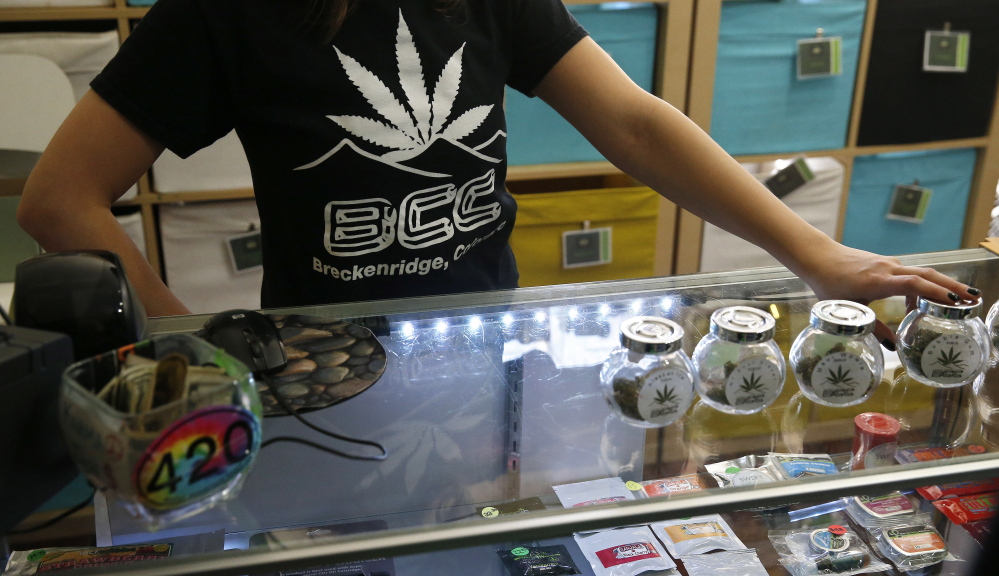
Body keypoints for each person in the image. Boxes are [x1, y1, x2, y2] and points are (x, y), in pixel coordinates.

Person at [16, 0, 980, 327]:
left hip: (489, 354)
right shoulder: (222, 13)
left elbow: (637, 127)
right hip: (321, 378)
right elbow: (60, 201)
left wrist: (817, 256)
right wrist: (193, 348)